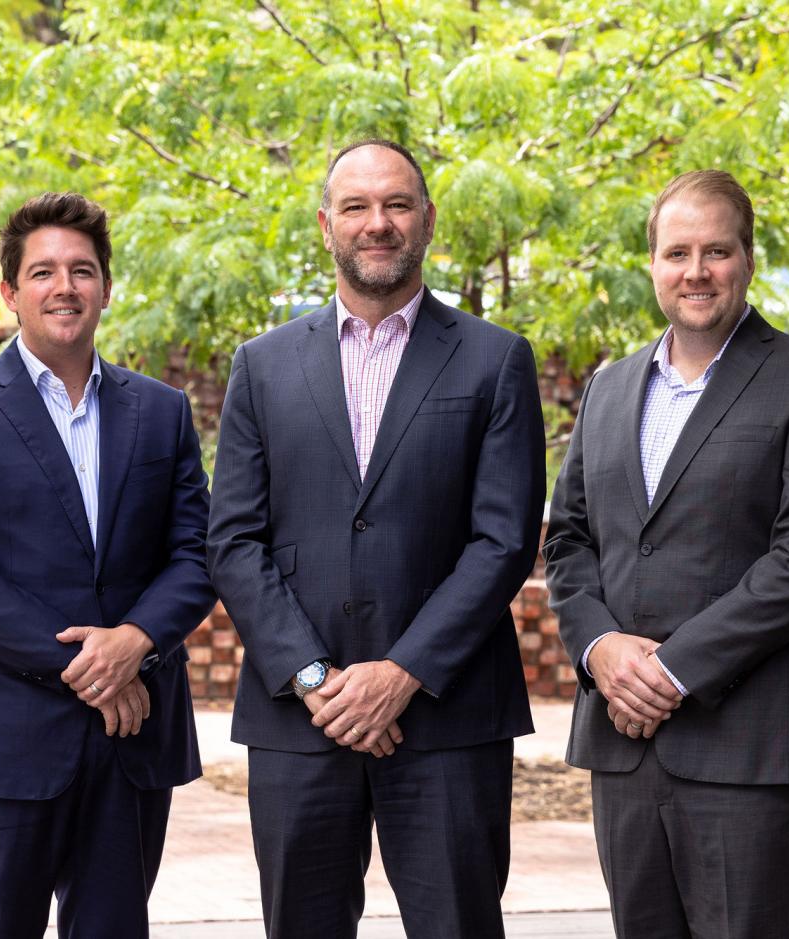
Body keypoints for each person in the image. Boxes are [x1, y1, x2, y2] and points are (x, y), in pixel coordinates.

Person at [207, 139, 545, 939]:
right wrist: (315, 677)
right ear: (326, 225)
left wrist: (402, 672)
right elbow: (234, 540)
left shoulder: (496, 360)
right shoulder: (261, 365)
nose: (378, 222)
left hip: (449, 715)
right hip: (300, 718)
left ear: (428, 219)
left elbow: (503, 540)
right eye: (355, 206)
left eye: (396, 204)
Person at [544, 169, 789, 939]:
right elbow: (568, 538)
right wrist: (600, 647)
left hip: (747, 747)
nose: (696, 271)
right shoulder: (608, 389)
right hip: (623, 742)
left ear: (747, 259)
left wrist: (670, 670)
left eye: (716, 251)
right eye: (677, 252)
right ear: (653, 264)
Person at [0, 192, 215, 939]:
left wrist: (136, 640)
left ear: (106, 287)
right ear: (10, 292)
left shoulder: (162, 411)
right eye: (42, 272)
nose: (64, 287)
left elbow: (199, 551)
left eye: (82, 270)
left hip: (134, 736)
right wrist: (93, 667)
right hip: (4, 735)